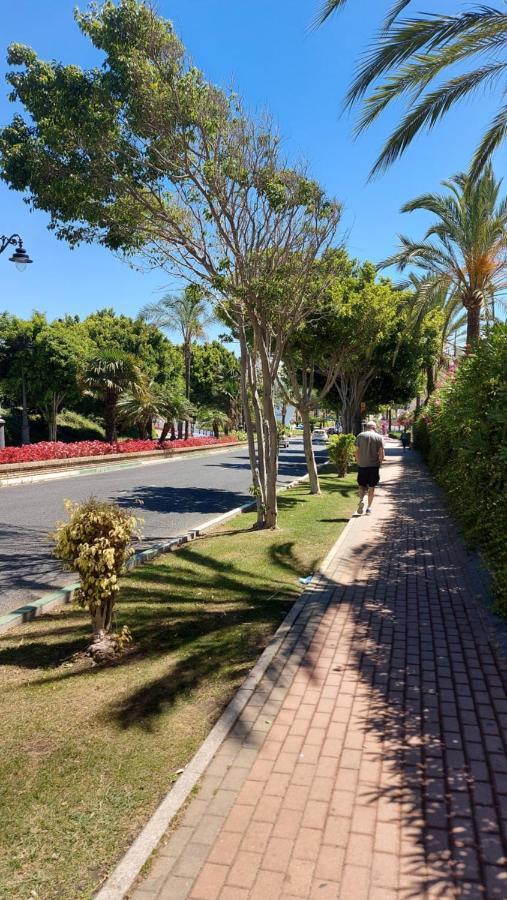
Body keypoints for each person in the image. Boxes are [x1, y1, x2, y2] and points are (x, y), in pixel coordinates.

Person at [355, 420, 384, 516]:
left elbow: (356, 451)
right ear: (374, 428)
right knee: (372, 487)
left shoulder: (360, 436)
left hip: (362, 465)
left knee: (361, 485)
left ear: (366, 427)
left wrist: (358, 462)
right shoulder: (379, 437)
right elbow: (381, 454)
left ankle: (361, 499)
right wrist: (380, 463)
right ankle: (369, 508)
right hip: (374, 466)